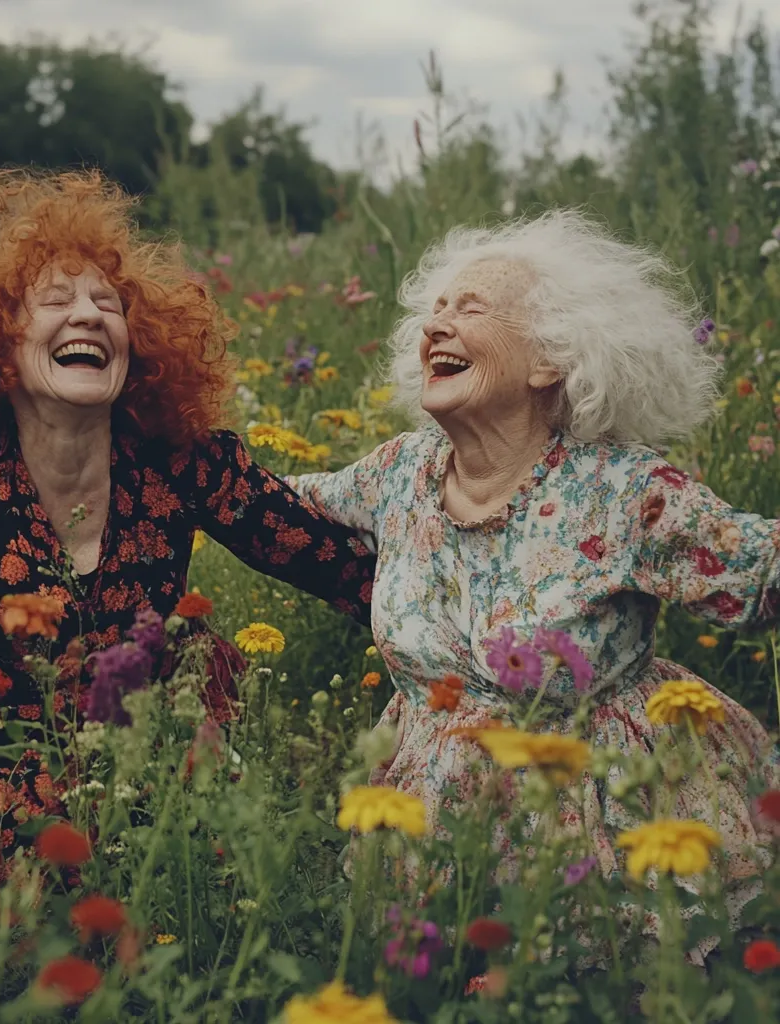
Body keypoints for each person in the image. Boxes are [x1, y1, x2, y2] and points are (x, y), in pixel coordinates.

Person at [0, 168, 375, 828]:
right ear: (0, 339)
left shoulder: (185, 458)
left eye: (109, 306)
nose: (87, 314)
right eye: (55, 301)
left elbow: (331, 560)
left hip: (141, 730)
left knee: (185, 869)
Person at [287, 209, 780, 937]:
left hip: (604, 840)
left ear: (550, 361)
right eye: (435, 312)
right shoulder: (399, 472)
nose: (436, 326)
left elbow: (760, 569)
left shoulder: (624, 492)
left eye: (471, 308)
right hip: (437, 836)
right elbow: (271, 502)